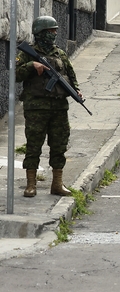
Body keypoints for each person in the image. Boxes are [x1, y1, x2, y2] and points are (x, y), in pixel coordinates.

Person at [16, 16, 80, 198]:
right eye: (51, 31)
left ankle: (57, 184)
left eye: (55, 31)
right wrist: (31, 65)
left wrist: (77, 91)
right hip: (36, 108)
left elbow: (70, 75)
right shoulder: (28, 53)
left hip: (59, 108)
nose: (54, 34)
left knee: (59, 145)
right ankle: (31, 184)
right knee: (34, 145)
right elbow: (15, 74)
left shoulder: (60, 53)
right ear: (41, 33)